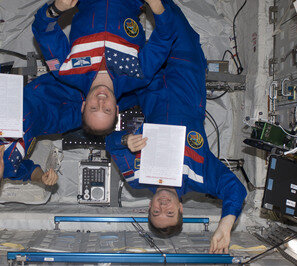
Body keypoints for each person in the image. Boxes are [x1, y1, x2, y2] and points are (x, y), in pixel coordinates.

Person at [105, 0, 247, 254]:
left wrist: (125, 141)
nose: (163, 205)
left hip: (149, 85)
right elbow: (235, 189)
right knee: (166, 11)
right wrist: (225, 226)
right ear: (181, 209)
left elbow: (109, 144)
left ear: (148, 208)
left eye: (157, 211)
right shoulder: (199, 177)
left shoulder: (136, 179)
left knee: (127, 26)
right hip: (186, 72)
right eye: (169, 212)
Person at [0, 55, 84, 217]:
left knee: (102, 77)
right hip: (59, 121)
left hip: (51, 90)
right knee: (115, 103)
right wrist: (42, 178)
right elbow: (28, 172)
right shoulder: (8, 169)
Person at [32, 0, 175, 135]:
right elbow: (165, 38)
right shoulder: (139, 76)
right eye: (107, 110)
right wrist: (157, 7)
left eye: (93, 108)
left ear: (83, 107)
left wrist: (55, 10)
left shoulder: (64, 70)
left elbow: (42, 30)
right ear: (116, 109)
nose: (101, 101)